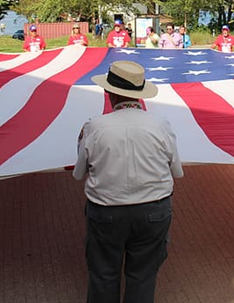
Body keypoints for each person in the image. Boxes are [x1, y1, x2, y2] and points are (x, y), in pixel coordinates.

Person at [74, 61, 183, 302]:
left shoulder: (94, 126)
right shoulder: (161, 125)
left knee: (103, 275)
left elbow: (79, 173)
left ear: (108, 92)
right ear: (140, 92)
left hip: (106, 211)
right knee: (143, 276)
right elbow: (177, 171)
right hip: (154, 209)